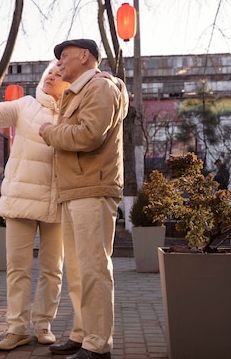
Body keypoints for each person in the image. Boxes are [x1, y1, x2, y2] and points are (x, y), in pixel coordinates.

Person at [0, 54, 68, 351]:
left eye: (58, 74)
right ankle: (17, 329)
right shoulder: (25, 105)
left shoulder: (73, 112)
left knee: (53, 270)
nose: (50, 76)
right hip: (21, 200)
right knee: (17, 269)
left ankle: (43, 325)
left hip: (57, 203)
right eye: (48, 73)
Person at [39, 39, 129, 359]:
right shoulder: (76, 92)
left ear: (84, 56)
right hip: (75, 190)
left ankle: (98, 345)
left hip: (93, 188)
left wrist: (50, 132)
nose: (59, 63)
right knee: (77, 271)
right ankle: (82, 333)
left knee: (93, 269)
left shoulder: (101, 88)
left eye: (64, 56)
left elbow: (89, 135)